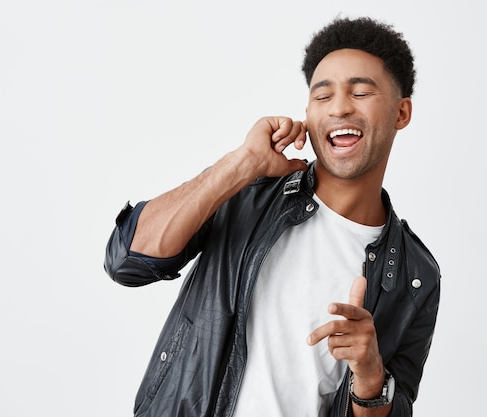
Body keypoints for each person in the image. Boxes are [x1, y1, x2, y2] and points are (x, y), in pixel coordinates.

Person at [104, 16, 440, 417]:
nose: (339, 108)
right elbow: (127, 262)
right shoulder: (247, 193)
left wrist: (370, 378)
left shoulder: (415, 275)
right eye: (323, 96)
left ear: (401, 113)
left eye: (361, 92)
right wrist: (239, 164)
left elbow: (392, 406)